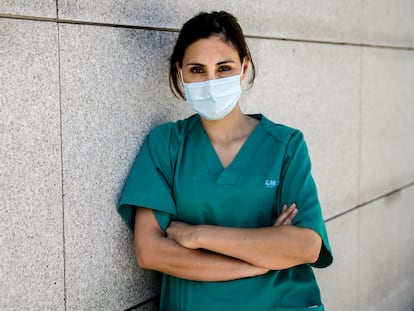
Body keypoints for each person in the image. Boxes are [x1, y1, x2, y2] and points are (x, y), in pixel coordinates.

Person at [118, 11, 333, 311]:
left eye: (224, 68)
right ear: (180, 72)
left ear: (244, 67)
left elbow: (306, 246)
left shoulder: (285, 145)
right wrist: (258, 261)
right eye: (197, 70)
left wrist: (198, 234)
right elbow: (150, 252)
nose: (210, 82)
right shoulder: (167, 144)